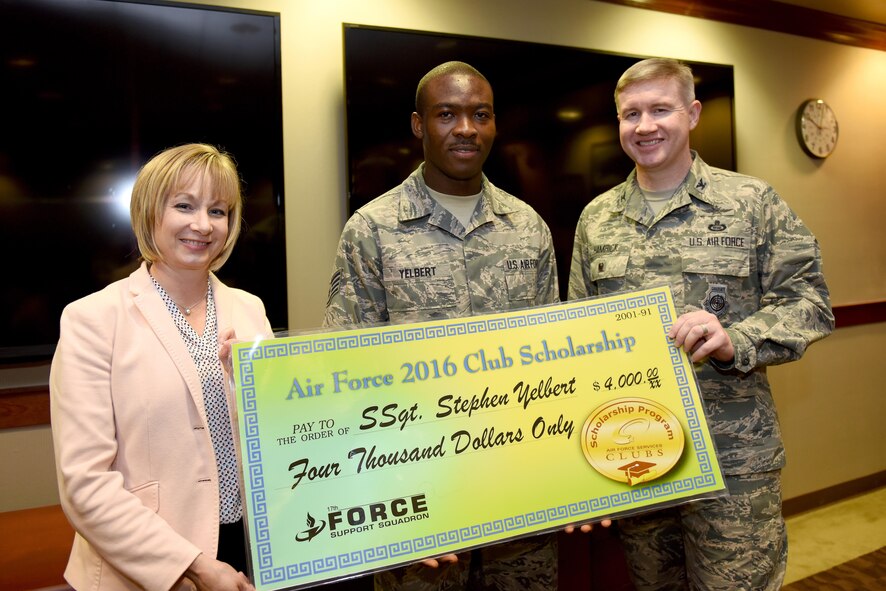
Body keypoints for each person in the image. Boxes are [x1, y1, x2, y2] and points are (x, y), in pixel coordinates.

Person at [568, 58, 834, 590]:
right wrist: (579, 473)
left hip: (732, 460)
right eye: (631, 114)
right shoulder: (597, 218)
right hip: (638, 459)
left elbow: (811, 302)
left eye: (660, 109)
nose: (644, 126)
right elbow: (577, 345)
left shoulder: (751, 202)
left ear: (692, 114)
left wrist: (736, 338)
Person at [325, 61, 559, 590]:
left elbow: (556, 359)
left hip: (520, 486)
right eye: (447, 114)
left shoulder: (527, 227)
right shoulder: (372, 230)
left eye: (480, 114)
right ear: (418, 125)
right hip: (417, 492)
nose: (466, 129)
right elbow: (347, 369)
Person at [50, 143, 272, 591]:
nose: (202, 225)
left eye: (218, 210)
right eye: (184, 206)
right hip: (146, 565)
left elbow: (287, 439)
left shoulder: (250, 310)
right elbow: (85, 484)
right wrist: (192, 566)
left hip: (248, 552)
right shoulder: (92, 319)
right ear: (150, 212)